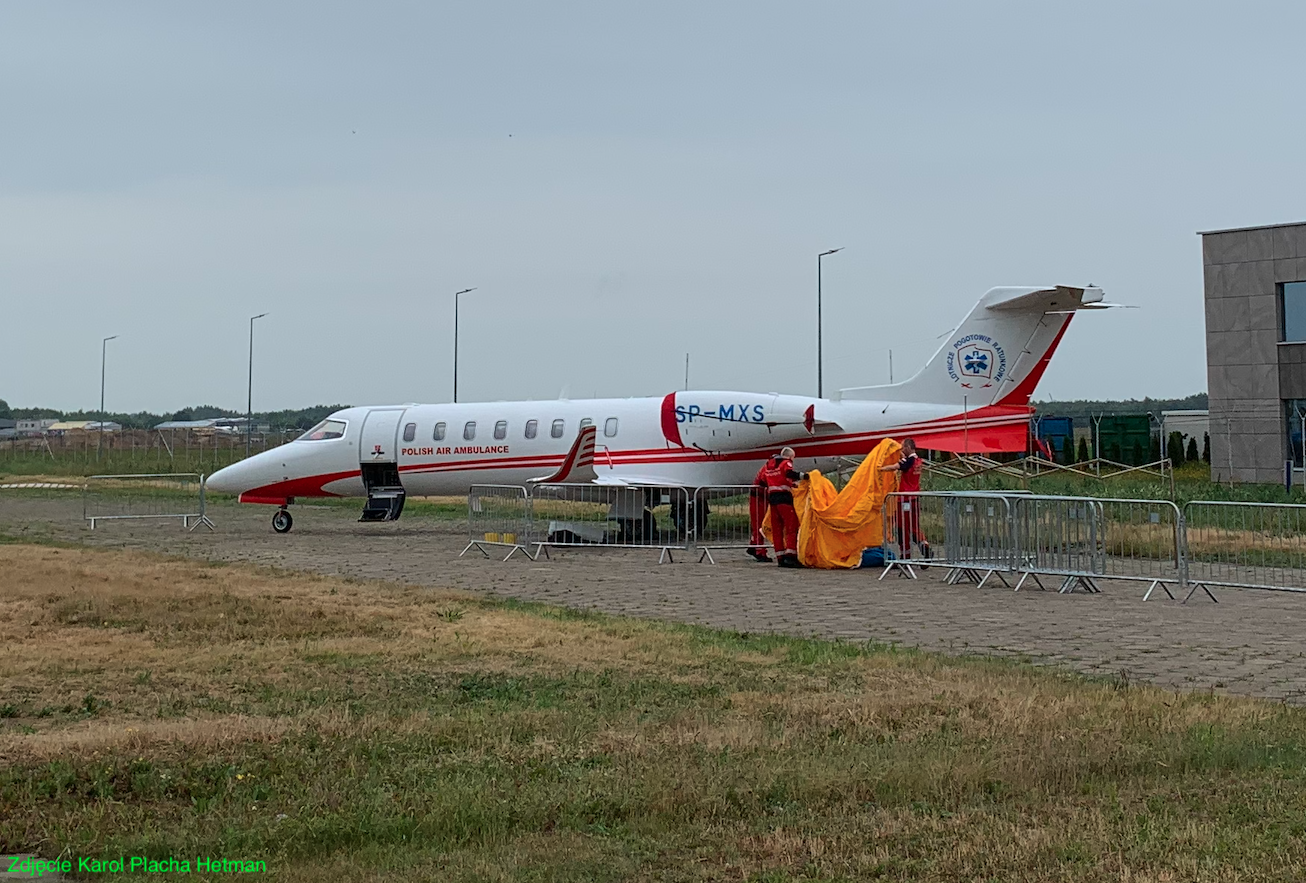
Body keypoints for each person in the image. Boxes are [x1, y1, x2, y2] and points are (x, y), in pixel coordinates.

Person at [880, 437, 930, 559]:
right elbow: (904, 461)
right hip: (915, 497)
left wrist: (880, 468)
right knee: (914, 526)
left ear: (908, 448)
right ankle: (924, 545)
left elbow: (895, 466)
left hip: (905, 499)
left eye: (903, 447)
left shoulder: (909, 462)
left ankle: (906, 554)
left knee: (902, 528)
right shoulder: (918, 461)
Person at [759, 446, 806, 568]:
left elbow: (763, 481)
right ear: (790, 456)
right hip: (784, 499)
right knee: (791, 527)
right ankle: (790, 556)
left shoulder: (769, 465)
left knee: (777, 530)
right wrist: (805, 476)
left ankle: (780, 557)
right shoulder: (786, 463)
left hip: (773, 500)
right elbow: (789, 473)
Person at [746, 461, 772, 562]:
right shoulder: (770, 469)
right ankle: (760, 551)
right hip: (759, 499)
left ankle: (753, 546)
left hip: (760, 498)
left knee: (758, 525)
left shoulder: (768, 467)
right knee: (759, 526)